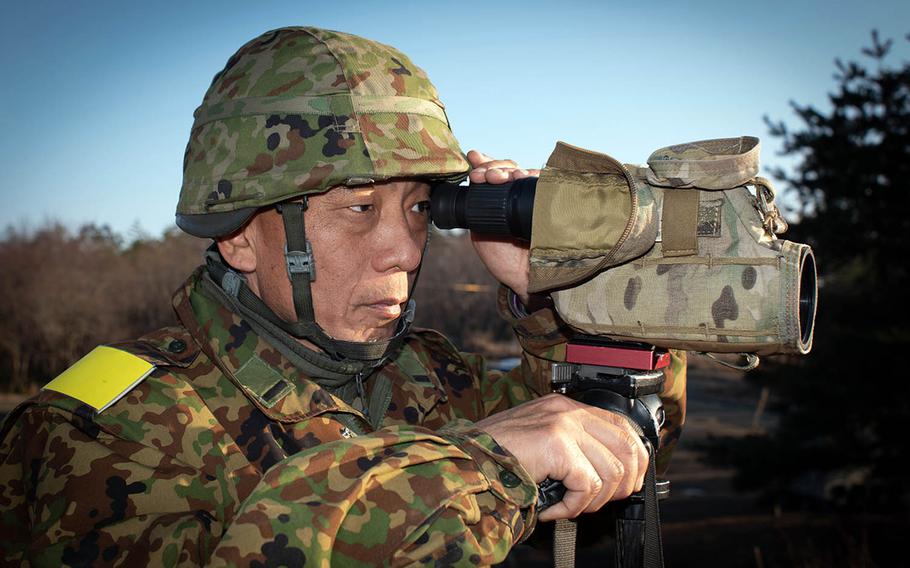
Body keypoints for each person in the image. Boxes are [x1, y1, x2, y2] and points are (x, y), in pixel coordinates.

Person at [0, 26, 686, 566]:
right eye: (359, 209)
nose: (406, 250)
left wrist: (563, 294)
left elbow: (611, 475)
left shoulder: (426, 377)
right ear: (241, 236)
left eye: (419, 209)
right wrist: (481, 465)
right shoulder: (100, 429)